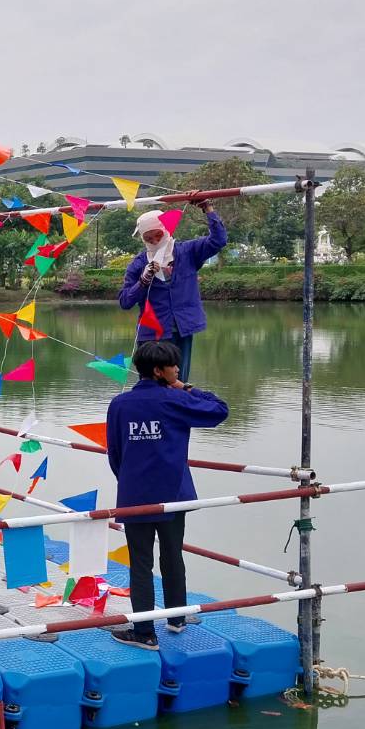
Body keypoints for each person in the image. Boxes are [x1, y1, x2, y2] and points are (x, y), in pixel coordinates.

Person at [105, 339, 228, 649]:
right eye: (174, 365)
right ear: (160, 371)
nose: (178, 369)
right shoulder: (175, 400)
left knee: (141, 564)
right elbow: (219, 411)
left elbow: (115, 454)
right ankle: (177, 619)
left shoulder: (119, 405)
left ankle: (145, 633)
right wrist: (187, 388)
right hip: (173, 493)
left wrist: (131, 480)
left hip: (135, 497)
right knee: (173, 556)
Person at [117, 201, 227, 382]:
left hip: (182, 329)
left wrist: (208, 209)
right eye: (148, 238)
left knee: (178, 381)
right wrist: (142, 281)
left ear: (165, 230)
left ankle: (178, 407)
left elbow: (218, 240)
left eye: (157, 235)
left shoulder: (187, 252)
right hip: (152, 334)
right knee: (152, 384)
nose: (154, 241)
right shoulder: (138, 264)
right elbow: (125, 302)